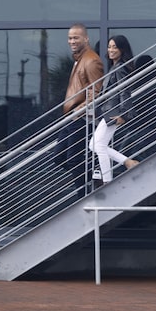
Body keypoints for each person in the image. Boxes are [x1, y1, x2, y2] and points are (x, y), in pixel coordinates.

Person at [55, 23, 104, 188]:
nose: (72, 41)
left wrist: (78, 110)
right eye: (70, 38)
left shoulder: (91, 61)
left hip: (81, 118)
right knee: (59, 157)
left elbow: (96, 91)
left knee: (75, 159)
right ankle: (92, 175)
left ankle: (84, 192)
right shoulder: (79, 60)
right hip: (72, 117)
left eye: (76, 37)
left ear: (86, 38)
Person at [89, 35, 141, 186]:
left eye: (115, 47)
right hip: (109, 112)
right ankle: (128, 162)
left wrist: (123, 114)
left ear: (122, 49)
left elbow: (124, 91)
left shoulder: (120, 68)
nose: (111, 50)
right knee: (94, 145)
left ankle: (107, 182)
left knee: (98, 145)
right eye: (109, 46)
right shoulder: (116, 66)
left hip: (114, 112)